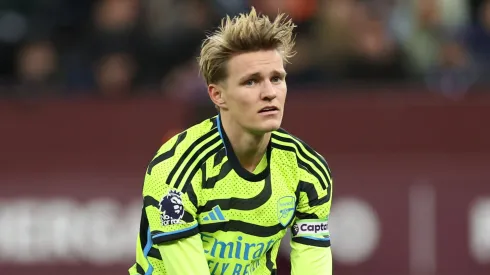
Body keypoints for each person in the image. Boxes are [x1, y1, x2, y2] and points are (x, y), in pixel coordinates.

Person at [129, 7, 333, 275]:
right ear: (217, 95)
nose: (269, 93)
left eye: (276, 78)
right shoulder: (176, 168)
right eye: (251, 82)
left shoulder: (307, 170)